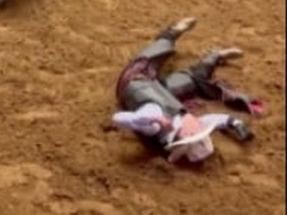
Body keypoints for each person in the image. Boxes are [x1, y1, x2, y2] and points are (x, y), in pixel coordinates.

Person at [112, 17, 263, 164]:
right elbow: (216, 121)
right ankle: (213, 57)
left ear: (185, 134)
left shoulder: (155, 124)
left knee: (146, 60)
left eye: (198, 133)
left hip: (135, 80)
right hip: (163, 92)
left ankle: (172, 33)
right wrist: (235, 123)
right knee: (193, 80)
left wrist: (154, 119)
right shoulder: (186, 125)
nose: (200, 127)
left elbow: (118, 118)